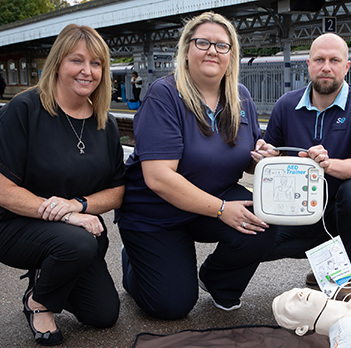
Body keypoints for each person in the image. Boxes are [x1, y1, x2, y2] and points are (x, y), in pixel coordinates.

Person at [115, 11, 278, 320]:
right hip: (156, 213)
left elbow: (248, 159)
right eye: (202, 42)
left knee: (263, 221)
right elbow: (159, 178)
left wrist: (263, 157)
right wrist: (221, 209)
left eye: (222, 45)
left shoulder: (240, 98)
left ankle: (219, 282)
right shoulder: (164, 96)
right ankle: (135, 261)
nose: (212, 50)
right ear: (186, 50)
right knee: (172, 306)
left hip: (211, 200)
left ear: (232, 55)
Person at [0, 24, 126, 346]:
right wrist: (66, 216)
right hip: (12, 224)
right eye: (77, 61)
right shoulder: (23, 110)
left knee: (104, 315)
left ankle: (46, 278)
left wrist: (78, 206)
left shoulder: (106, 123)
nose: (87, 71)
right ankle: (38, 302)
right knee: (80, 243)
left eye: (96, 63)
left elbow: (117, 191)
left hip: (72, 232)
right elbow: (0, 191)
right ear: (58, 63)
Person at [258, 33, 351, 300]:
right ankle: (326, 262)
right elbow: (270, 156)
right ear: (308, 64)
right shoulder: (286, 105)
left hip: (346, 211)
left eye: (334, 60)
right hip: (300, 206)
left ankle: (350, 270)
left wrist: (327, 165)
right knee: (259, 244)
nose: (326, 67)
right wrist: (266, 155)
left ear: (346, 66)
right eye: (319, 59)